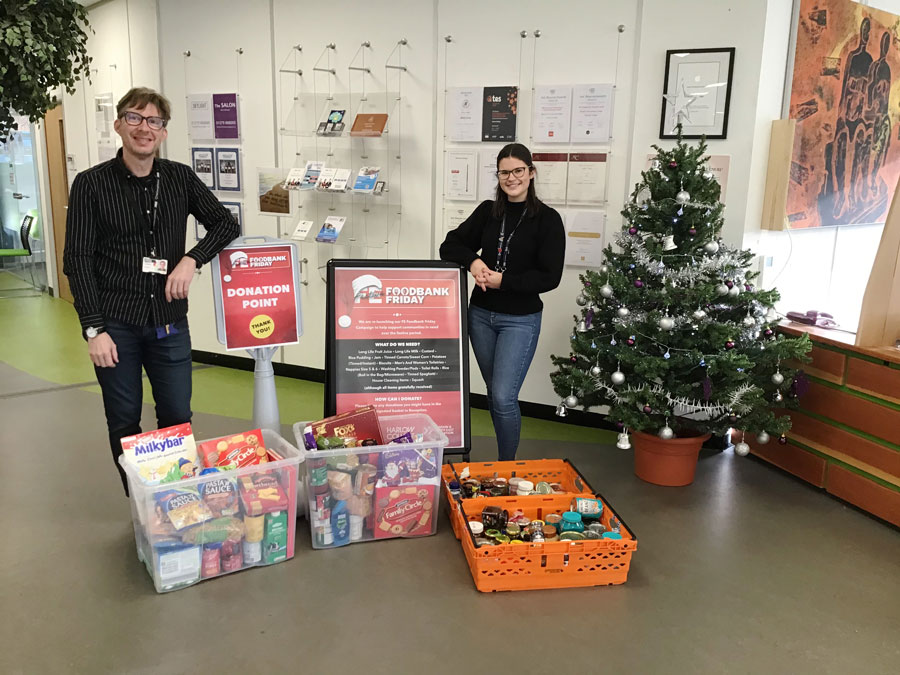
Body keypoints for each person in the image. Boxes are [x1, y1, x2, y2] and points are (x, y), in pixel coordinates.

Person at [63, 87, 240, 494]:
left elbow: (225, 224)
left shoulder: (179, 177)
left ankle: (176, 498)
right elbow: (78, 260)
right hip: (114, 325)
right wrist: (94, 328)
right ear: (119, 124)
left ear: (163, 132)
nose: (145, 128)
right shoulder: (91, 184)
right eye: (135, 118)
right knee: (124, 419)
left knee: (177, 416)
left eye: (155, 121)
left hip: (168, 323)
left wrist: (191, 258)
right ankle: (142, 504)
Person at [440, 143, 565, 460]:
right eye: (504, 172)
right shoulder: (487, 212)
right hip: (480, 316)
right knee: (496, 396)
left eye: (518, 171)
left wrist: (503, 281)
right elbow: (450, 245)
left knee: (502, 396)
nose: (512, 178)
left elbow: (550, 277)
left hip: (520, 320)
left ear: (531, 173)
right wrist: (474, 263)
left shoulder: (548, 220)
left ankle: (508, 467)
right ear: (498, 176)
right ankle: (504, 461)